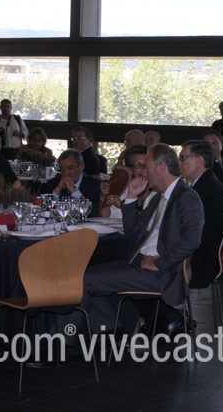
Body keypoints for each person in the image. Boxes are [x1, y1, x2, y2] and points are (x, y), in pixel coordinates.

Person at [78, 143, 204, 336]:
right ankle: (111, 330)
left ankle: (76, 339)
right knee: (84, 274)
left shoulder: (186, 197)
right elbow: (133, 233)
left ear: (161, 168)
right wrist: (131, 197)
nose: (144, 173)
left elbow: (192, 240)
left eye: (147, 167)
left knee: (85, 280)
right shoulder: (158, 197)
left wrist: (160, 263)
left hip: (162, 273)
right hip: (138, 262)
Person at [179, 140, 223, 289]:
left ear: (199, 160)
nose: (179, 163)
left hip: (197, 263)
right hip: (202, 257)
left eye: (183, 158)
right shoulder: (206, 182)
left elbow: (185, 229)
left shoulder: (204, 190)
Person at [42, 149, 102, 218]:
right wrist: (57, 191)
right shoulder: (53, 183)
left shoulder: (95, 185)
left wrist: (74, 191)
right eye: (62, 169)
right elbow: (44, 212)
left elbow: (93, 214)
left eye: (70, 168)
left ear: (81, 166)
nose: (65, 173)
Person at [100, 145, 154, 220]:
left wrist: (123, 206)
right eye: (139, 165)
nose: (144, 169)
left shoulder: (155, 189)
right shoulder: (122, 184)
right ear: (129, 168)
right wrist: (104, 196)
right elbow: (104, 215)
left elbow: (148, 221)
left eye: (146, 165)